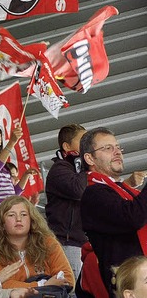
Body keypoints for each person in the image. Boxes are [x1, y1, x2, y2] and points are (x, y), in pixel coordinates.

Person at [79, 127, 147, 297]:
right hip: (133, 286)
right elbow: (133, 217)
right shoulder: (94, 194)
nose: (117, 152)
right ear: (89, 158)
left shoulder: (126, 191)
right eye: (108, 148)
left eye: (117, 147)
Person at [0, 195, 74, 289]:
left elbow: (67, 279)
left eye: (24, 214)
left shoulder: (48, 242)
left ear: (32, 219)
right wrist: (42, 285)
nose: (18, 219)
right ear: (2, 223)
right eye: (11, 215)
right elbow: (0, 285)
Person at [45, 124, 88, 277]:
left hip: (83, 244)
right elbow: (79, 190)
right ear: (67, 146)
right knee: (72, 291)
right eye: (83, 139)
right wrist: (85, 165)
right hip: (67, 244)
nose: (88, 144)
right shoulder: (60, 169)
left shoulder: (81, 171)